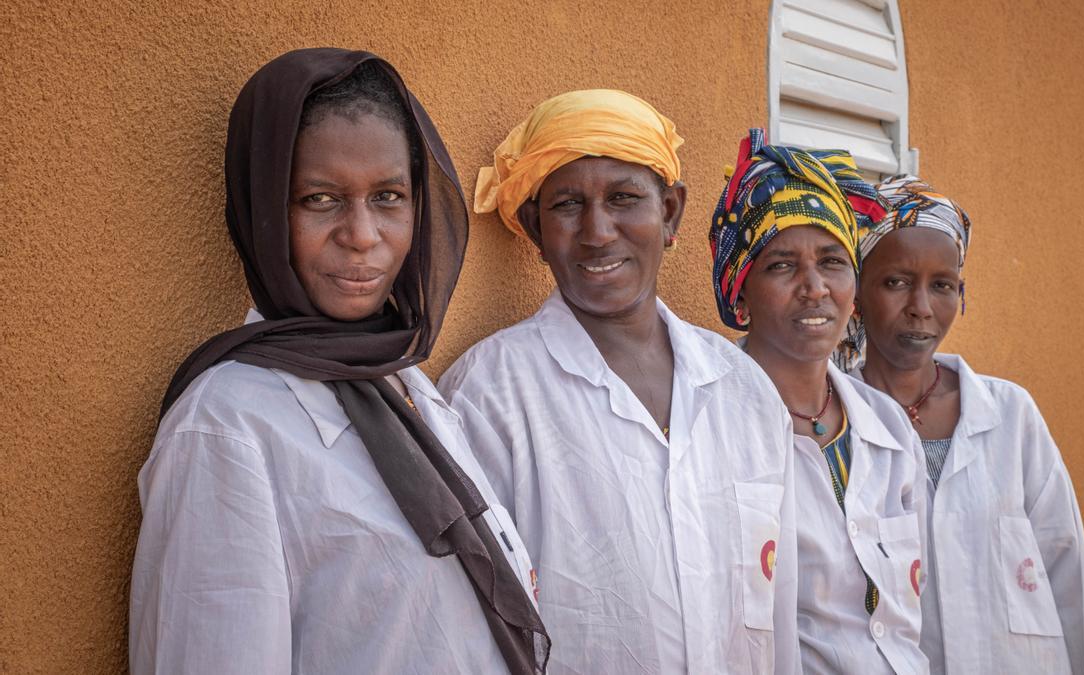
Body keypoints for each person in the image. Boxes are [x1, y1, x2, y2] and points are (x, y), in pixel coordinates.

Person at [129, 48, 547, 674]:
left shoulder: (404, 385)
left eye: (387, 196)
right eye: (320, 199)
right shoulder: (228, 429)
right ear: (264, 211)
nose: (361, 233)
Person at [439, 91, 800, 673]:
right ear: (533, 227)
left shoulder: (746, 392)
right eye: (567, 205)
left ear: (672, 212)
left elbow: (777, 614)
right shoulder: (489, 396)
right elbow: (468, 631)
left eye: (625, 198)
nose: (598, 231)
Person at [852, 174, 1084, 674]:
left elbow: (1069, 576)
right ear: (856, 292)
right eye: (896, 282)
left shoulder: (1010, 415)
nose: (922, 308)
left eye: (942, 286)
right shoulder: (836, 425)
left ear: (962, 293)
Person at [710, 128, 929, 674]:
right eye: (782, 264)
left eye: (832, 261)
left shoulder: (887, 428)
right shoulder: (711, 428)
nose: (815, 287)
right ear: (741, 287)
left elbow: (909, 618)